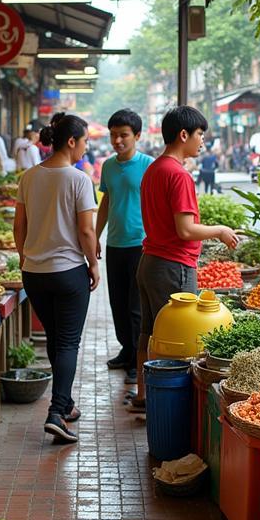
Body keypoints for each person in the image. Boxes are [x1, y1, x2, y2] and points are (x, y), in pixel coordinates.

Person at [128, 107, 239, 413]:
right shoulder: (178, 174)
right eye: (200, 134)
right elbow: (186, 229)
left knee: (149, 333)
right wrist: (220, 230)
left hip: (150, 262)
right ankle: (172, 408)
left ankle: (144, 393)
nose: (203, 141)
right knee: (177, 339)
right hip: (172, 266)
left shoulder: (154, 169)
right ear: (183, 135)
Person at [13, 115, 99, 444]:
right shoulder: (78, 180)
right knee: (67, 343)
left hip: (35, 274)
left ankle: (68, 404)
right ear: (72, 142)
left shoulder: (29, 177)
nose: (87, 147)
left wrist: (25, 256)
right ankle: (57, 412)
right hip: (68, 273)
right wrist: (92, 264)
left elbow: (19, 226)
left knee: (55, 338)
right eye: (86, 141)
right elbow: (86, 230)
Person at [96, 109, 153, 385]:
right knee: (117, 302)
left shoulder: (149, 165)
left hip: (140, 244)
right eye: (113, 135)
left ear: (137, 136)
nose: (117, 140)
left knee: (135, 306)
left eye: (123, 135)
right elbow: (106, 201)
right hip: (115, 243)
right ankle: (126, 349)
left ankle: (135, 361)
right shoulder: (108, 166)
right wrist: (95, 236)